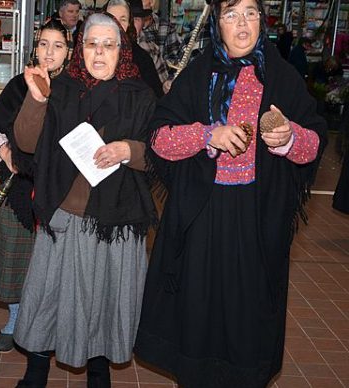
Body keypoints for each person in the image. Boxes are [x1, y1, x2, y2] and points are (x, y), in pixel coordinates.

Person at [134, 0, 327, 386]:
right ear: (216, 24)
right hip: (201, 216)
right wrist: (210, 134)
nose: (242, 23)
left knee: (247, 319)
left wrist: (288, 139)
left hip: (256, 219)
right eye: (230, 14)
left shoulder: (283, 78)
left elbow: (315, 143)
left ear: (262, 21)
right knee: (197, 313)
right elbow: (158, 139)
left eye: (251, 13)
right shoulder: (197, 76)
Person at [12, 12, 159, 387]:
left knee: (104, 303)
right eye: (92, 43)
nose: (99, 52)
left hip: (116, 221)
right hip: (64, 215)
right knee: (47, 300)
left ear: (121, 50)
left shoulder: (141, 96)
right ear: (81, 49)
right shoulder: (61, 89)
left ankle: (99, 374)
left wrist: (128, 149)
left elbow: (158, 156)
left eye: (109, 45)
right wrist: (35, 100)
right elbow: (27, 142)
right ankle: (36, 371)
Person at [0, 18, 72, 354]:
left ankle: (49, 326)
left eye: (58, 46)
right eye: (44, 44)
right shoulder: (19, 84)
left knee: (54, 265)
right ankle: (15, 320)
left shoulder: (73, 89)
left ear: (68, 52)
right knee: (14, 258)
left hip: (60, 191)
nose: (49, 52)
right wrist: (4, 151)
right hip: (20, 189)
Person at [106, 0, 164, 97]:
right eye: (112, 19)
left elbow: (155, 94)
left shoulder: (143, 56)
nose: (117, 25)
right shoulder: (92, 51)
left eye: (123, 19)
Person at [137, 0, 182, 80]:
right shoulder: (127, 29)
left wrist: (169, 80)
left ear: (152, 2)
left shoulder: (166, 29)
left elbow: (176, 63)